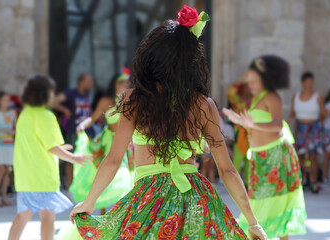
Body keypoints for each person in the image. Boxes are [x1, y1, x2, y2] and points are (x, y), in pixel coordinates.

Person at [57, 6, 267, 240]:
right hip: (197, 202)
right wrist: (253, 222)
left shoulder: (134, 99)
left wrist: (89, 202)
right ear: (191, 60)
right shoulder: (204, 104)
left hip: (148, 202)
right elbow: (227, 171)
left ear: (151, 57)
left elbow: (113, 160)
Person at [224, 55, 307, 240]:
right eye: (250, 81)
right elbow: (256, 124)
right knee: (261, 203)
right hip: (260, 158)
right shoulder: (257, 98)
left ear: (266, 79)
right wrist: (240, 121)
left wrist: (251, 125)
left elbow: (278, 125)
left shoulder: (272, 97)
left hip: (275, 156)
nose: (251, 84)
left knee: (275, 202)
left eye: (255, 80)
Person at [8, 75, 92, 240]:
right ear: (45, 94)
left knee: (23, 215)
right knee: (47, 215)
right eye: (52, 92)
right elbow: (52, 147)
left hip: (25, 176)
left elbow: (37, 143)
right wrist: (74, 158)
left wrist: (60, 149)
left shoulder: (25, 114)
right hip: (42, 177)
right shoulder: (46, 116)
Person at [70, 69, 133, 215]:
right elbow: (92, 119)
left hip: (127, 144)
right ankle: (103, 214)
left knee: (125, 178)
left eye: (127, 84)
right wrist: (81, 126)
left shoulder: (131, 100)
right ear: (115, 84)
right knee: (106, 175)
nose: (126, 86)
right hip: (108, 142)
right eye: (122, 83)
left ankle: (120, 216)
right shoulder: (106, 101)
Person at [289, 72, 330, 193]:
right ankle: (302, 180)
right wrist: (287, 122)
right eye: (307, 82)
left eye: (311, 82)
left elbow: (324, 113)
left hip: (313, 128)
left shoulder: (318, 96)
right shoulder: (296, 96)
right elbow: (292, 112)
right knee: (300, 157)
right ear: (303, 83)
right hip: (300, 128)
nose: (309, 85)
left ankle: (314, 182)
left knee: (313, 157)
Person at [54, 73, 94, 188]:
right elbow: (54, 101)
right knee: (70, 159)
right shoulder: (71, 93)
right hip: (74, 131)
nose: (91, 84)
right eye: (89, 81)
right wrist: (64, 109)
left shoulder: (86, 94)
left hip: (87, 131)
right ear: (82, 82)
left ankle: (84, 185)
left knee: (87, 158)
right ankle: (70, 186)